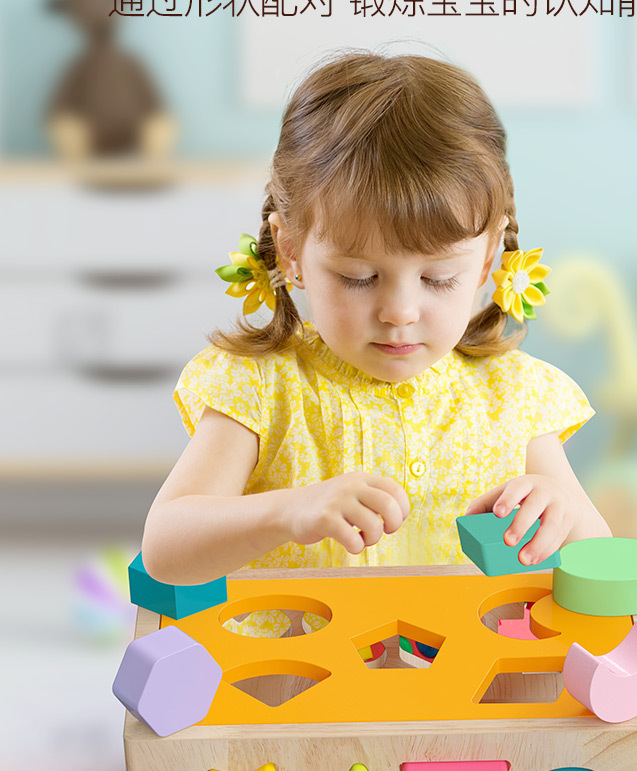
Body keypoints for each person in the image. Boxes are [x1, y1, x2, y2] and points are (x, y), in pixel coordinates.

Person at [142, 51, 610, 636]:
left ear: (489, 257)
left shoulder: (513, 398)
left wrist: (561, 515)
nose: (400, 311)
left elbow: (600, 562)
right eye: (359, 277)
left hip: (466, 682)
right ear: (291, 252)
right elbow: (165, 548)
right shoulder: (260, 389)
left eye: (439, 278)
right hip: (290, 681)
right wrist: (288, 511)